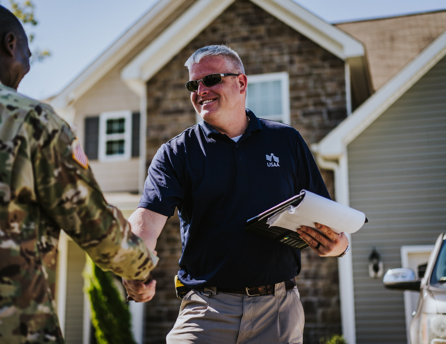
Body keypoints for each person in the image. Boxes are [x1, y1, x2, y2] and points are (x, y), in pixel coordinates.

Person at [0, 3, 157, 343]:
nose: (26, 67)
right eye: (27, 55)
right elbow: (94, 224)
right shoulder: (31, 121)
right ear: (10, 44)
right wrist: (140, 269)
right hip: (7, 331)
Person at [123, 45, 349, 343]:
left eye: (211, 79)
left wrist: (338, 244)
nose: (200, 90)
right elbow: (147, 219)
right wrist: (133, 264)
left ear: (241, 83)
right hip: (205, 309)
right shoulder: (177, 153)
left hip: (278, 312)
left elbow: (327, 220)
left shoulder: (286, 141)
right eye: (193, 84)